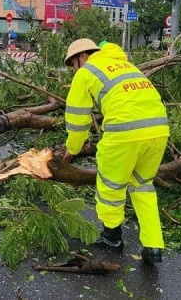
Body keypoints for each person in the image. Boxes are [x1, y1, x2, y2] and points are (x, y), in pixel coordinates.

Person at [62, 39, 169, 263]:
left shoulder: (87, 71)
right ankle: (153, 245)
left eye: (73, 63)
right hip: (159, 130)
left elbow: (77, 118)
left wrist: (71, 149)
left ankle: (112, 238)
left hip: (124, 134)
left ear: (82, 56)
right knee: (143, 185)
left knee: (111, 186)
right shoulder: (128, 66)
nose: (74, 68)